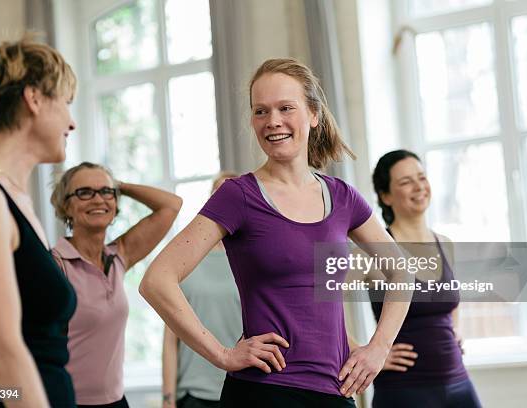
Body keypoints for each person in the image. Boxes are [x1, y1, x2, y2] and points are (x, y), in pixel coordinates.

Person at [140, 58, 410, 408]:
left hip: (335, 390)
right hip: (262, 392)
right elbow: (157, 279)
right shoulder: (238, 195)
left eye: (286, 108)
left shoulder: (342, 196)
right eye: (260, 112)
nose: (273, 122)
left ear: (313, 114)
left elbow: (402, 269)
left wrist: (379, 347)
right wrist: (222, 354)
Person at [0, 37, 77, 407]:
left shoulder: (14, 200)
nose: (72, 123)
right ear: (34, 98)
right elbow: (2, 349)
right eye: (66, 103)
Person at [50, 161, 182, 408]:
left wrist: (118, 186)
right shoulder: (55, 265)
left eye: (105, 192)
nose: (98, 199)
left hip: (116, 401)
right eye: (85, 192)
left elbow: (171, 205)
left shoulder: (118, 255)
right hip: (68, 401)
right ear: (66, 205)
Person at [370, 149, 482, 407]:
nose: (418, 187)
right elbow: (324, 307)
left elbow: (451, 303)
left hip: (458, 381)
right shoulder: (375, 249)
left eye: (421, 177)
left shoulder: (445, 243)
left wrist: (455, 330)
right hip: (405, 390)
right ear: (386, 196)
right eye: (406, 182)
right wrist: (359, 351)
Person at [162, 172, 243, 408]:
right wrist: (168, 398)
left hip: (246, 390)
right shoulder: (187, 258)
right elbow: (170, 338)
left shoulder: (255, 258)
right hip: (194, 395)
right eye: (219, 193)